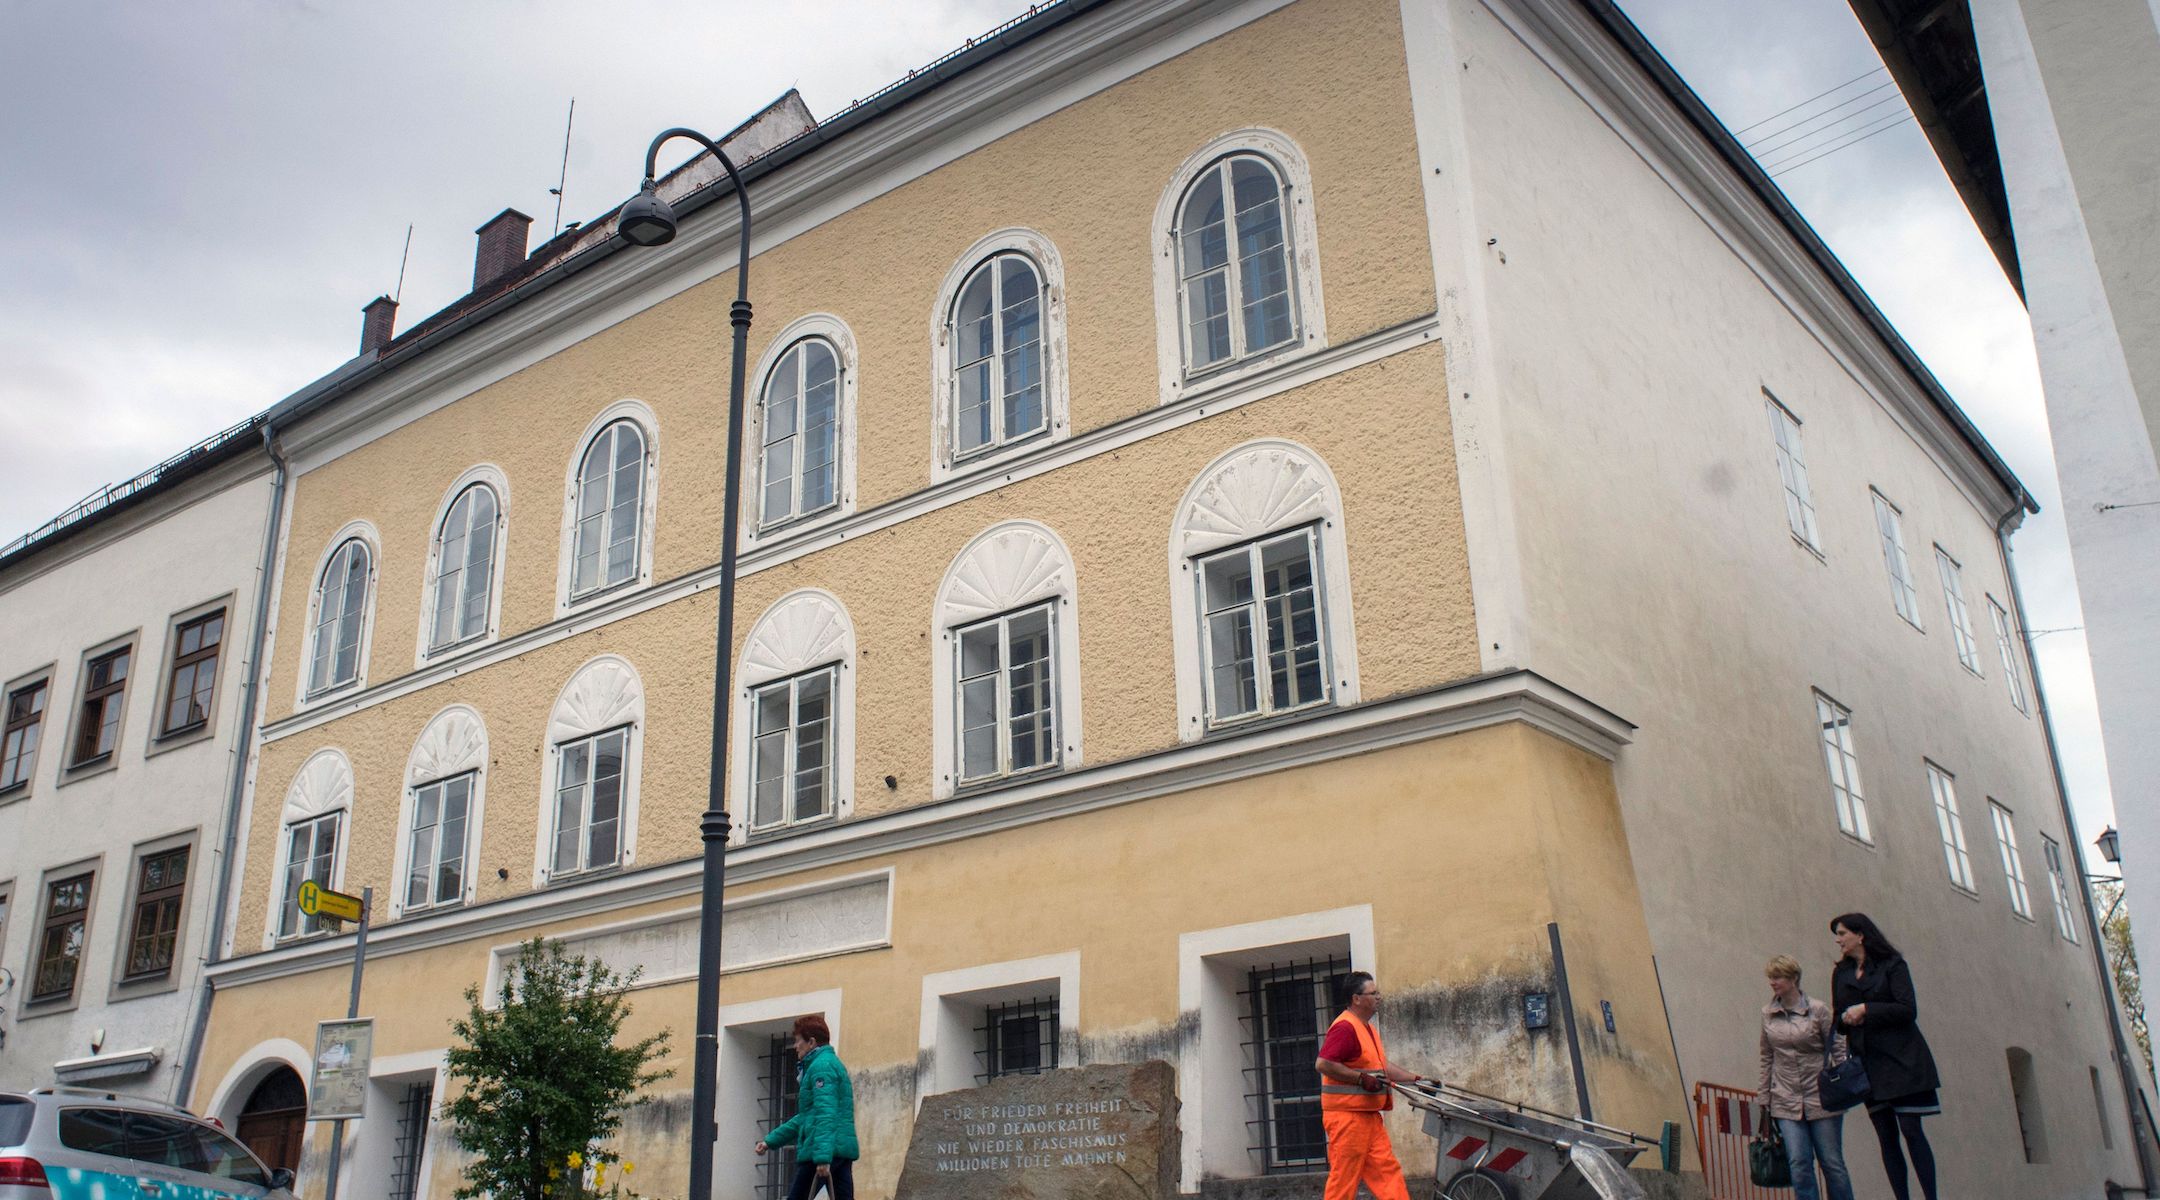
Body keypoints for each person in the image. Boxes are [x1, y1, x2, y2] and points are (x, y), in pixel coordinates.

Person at [1830, 913, 1941, 1200]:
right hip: (1869, 1062)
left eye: (1842, 934)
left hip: (1903, 1059)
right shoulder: (1840, 974)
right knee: (1886, 1135)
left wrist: (1866, 1009)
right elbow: (1837, 1018)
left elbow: (1907, 1009)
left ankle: (1931, 1196)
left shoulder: (1893, 965)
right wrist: (1846, 1019)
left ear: (1860, 935)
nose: (1838, 940)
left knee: (1910, 1128)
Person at [1314, 971, 1424, 1200]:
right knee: (1344, 1180)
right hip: (1347, 1118)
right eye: (1373, 993)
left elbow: (1381, 1069)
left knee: (1387, 1172)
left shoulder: (1366, 1028)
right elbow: (1324, 1064)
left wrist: (1415, 1079)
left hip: (1368, 1117)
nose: (1378, 997)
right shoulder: (1345, 1027)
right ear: (1356, 998)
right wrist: (1361, 1079)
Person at [1758, 954, 1856, 1200]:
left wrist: (1843, 1079)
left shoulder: (1818, 1010)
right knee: (1798, 1163)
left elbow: (1837, 1046)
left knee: (1832, 1164)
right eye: (1770, 977)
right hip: (1785, 1097)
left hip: (1821, 1095)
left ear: (1793, 979)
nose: (1773, 982)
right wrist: (1764, 1095)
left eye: (1777, 976)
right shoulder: (1768, 1013)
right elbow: (1766, 1055)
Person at [755, 1014, 859, 1200]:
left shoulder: (821, 1068)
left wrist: (822, 1158)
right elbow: (806, 1117)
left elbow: (825, 1114)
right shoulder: (829, 1064)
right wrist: (771, 1141)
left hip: (821, 1151)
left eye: (797, 1041)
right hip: (838, 1150)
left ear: (811, 1042)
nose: (795, 1047)